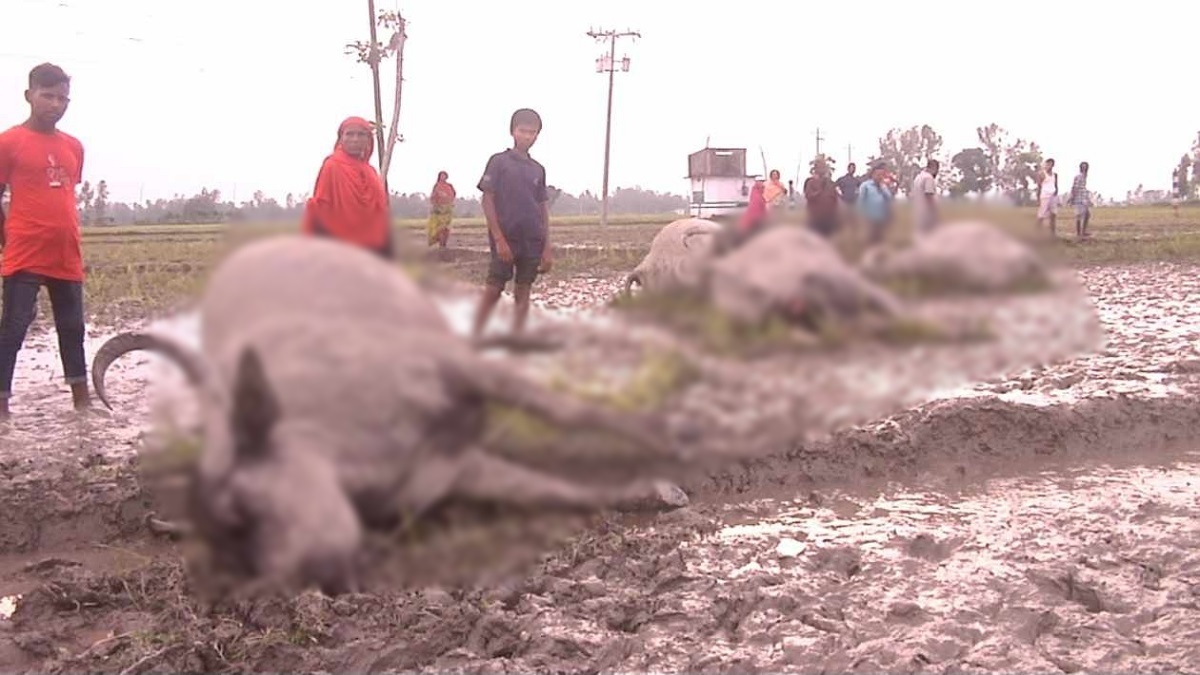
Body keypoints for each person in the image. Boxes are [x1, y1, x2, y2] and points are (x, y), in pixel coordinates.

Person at [0, 63, 90, 418]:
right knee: (13, 327)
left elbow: (64, 193)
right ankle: (2, 406)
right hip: (25, 251)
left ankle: (83, 402)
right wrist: (7, 240)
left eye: (63, 98)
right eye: (48, 96)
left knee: (73, 328)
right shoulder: (8, 142)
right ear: (29, 96)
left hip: (66, 252)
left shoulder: (74, 147)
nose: (56, 104)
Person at [471, 108, 552, 338]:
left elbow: (542, 207)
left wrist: (547, 247)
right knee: (494, 288)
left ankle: (517, 338)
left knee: (523, 290)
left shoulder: (538, 169)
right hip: (506, 236)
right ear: (512, 132)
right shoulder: (498, 162)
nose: (527, 136)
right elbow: (487, 199)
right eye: (523, 131)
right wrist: (499, 239)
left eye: (532, 132)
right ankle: (475, 335)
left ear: (538, 135)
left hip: (532, 238)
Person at [302, 116, 393, 259]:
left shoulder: (371, 173)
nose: (355, 139)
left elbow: (379, 215)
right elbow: (320, 211)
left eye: (361, 135)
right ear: (341, 138)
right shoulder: (332, 166)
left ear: (368, 140)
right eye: (349, 134)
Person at [856, 162, 894, 246]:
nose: (879, 176)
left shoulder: (883, 186)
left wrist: (883, 187)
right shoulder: (865, 186)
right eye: (877, 174)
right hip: (869, 219)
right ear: (872, 174)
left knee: (881, 240)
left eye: (881, 175)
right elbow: (860, 202)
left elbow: (889, 198)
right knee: (870, 240)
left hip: (882, 218)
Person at [803, 158, 841, 237]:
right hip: (815, 218)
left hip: (829, 219)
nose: (822, 169)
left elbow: (835, 199)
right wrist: (819, 190)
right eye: (819, 166)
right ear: (815, 168)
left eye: (823, 167)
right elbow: (808, 196)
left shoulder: (830, 183)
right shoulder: (810, 182)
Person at [427, 170, 456, 249]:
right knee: (439, 228)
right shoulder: (436, 186)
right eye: (441, 175)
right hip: (438, 210)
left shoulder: (449, 186)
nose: (443, 177)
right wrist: (435, 205)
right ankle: (440, 244)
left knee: (446, 228)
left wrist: (450, 202)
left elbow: (453, 195)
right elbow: (433, 197)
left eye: (444, 175)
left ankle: (444, 244)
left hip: (447, 210)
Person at [911, 159, 940, 237]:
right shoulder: (928, 178)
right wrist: (934, 213)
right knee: (930, 236)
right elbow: (929, 195)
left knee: (921, 235)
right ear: (934, 168)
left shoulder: (918, 177)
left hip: (918, 212)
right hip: (927, 213)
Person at [1035, 158, 1059, 236]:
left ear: (1053, 165)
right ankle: (1037, 233)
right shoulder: (1041, 174)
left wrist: (1056, 192)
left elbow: (1056, 185)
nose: (1049, 166)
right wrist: (1038, 198)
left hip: (1053, 196)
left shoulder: (1055, 175)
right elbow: (1039, 187)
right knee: (1041, 215)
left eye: (1051, 164)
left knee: (1053, 215)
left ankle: (1053, 234)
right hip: (1045, 196)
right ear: (1045, 165)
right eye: (1047, 164)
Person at [1068, 161, 1091, 239]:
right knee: (1079, 215)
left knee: (1086, 214)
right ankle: (1079, 233)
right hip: (1079, 197)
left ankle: (1083, 231)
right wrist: (1072, 197)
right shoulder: (1079, 176)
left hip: (1083, 197)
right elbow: (1075, 187)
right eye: (1083, 167)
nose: (1084, 168)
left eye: (1086, 167)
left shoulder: (1084, 176)